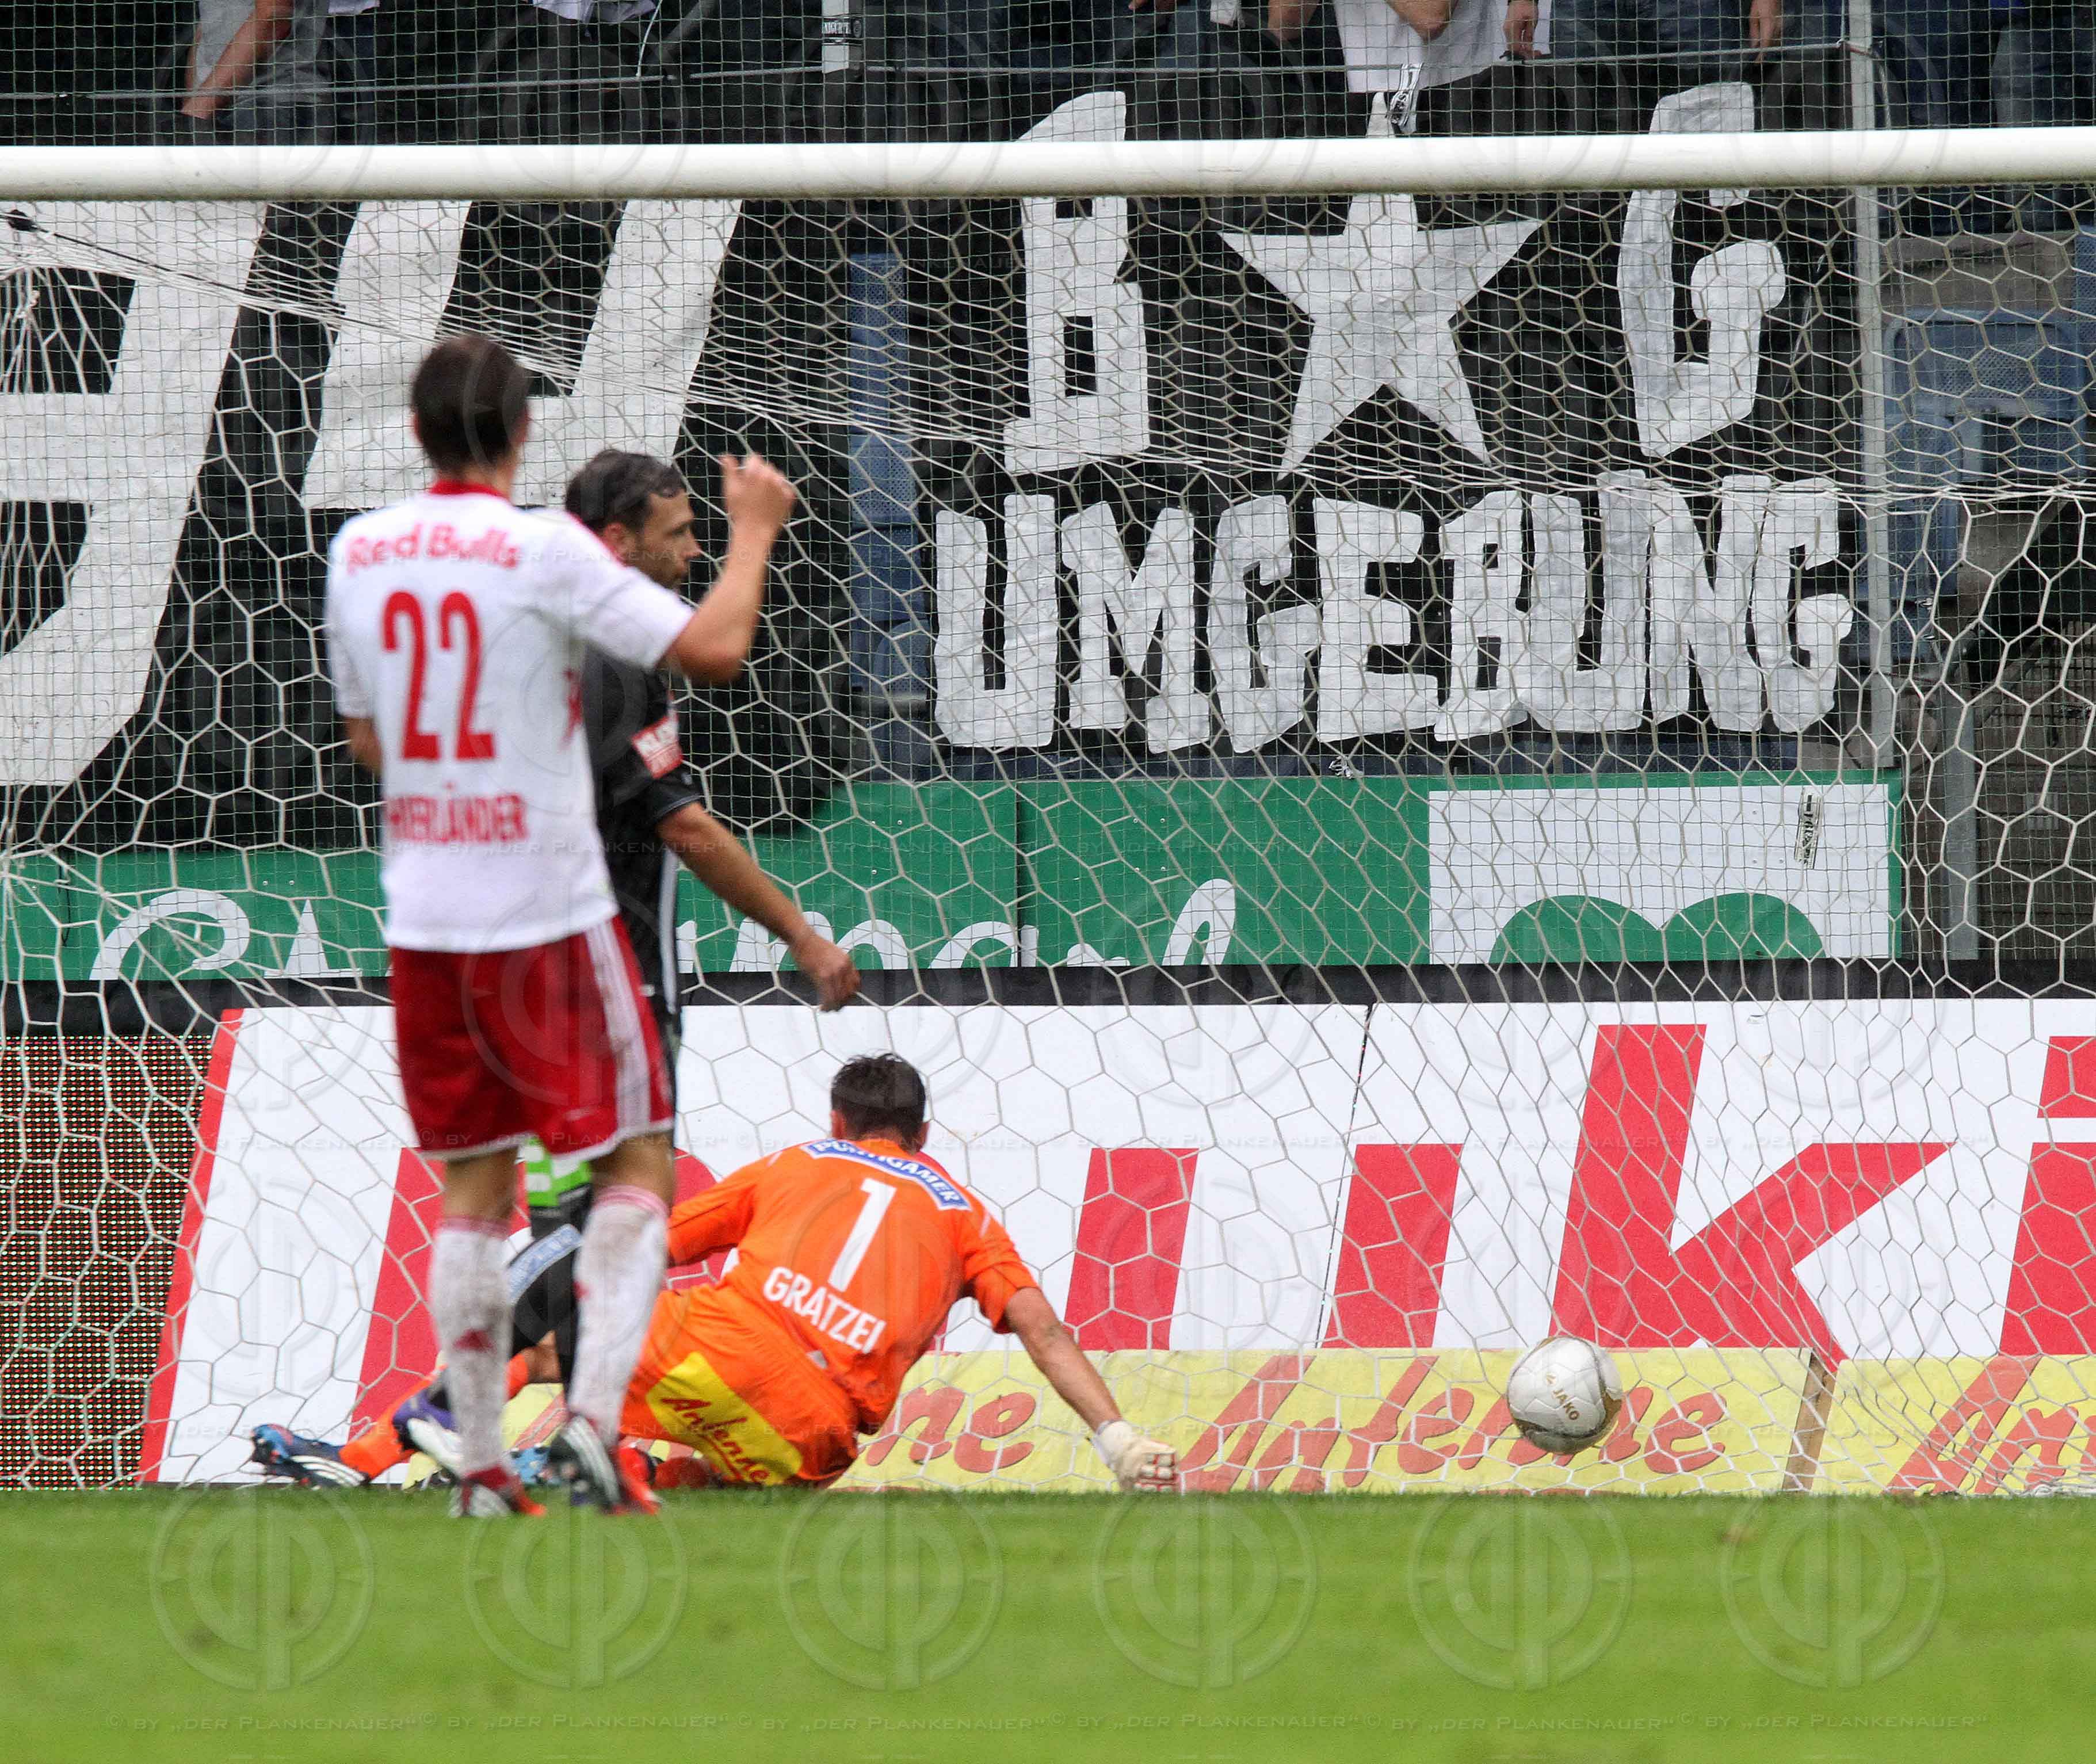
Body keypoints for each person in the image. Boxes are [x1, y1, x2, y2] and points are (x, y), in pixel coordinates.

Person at [324, 331, 796, 1515]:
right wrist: (752, 529)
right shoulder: (544, 552)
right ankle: (588, 1421)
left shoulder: (360, 552)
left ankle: (481, 1465)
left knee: (475, 1198)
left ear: (417, 431)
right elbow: (719, 649)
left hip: (426, 922)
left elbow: (370, 745)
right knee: (640, 1158)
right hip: (546, 912)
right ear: (523, 432)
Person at [254, 1055, 1182, 1497]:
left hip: (724, 1348)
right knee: (720, 1481)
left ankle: (366, 1459)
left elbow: (649, 1242)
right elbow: (1042, 1329)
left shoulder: (794, 1163)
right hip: (815, 1437)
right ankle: (589, 1468)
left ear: (835, 1119)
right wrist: (1117, 1439)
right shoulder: (968, 1213)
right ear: (923, 1136)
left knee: (550, 1343)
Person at [182, 0, 331, 142]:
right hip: (216, 112)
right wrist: (191, 112)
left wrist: (197, 109)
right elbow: (208, 24)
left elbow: (273, 16)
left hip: (271, 106)